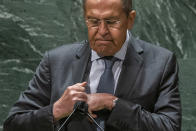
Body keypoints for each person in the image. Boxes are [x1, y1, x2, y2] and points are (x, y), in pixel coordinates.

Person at [3, 0, 181, 131]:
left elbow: (170, 126)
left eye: (111, 22)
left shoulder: (162, 62)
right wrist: (56, 110)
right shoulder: (56, 60)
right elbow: (13, 124)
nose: (102, 31)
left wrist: (112, 103)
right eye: (94, 21)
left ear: (130, 19)